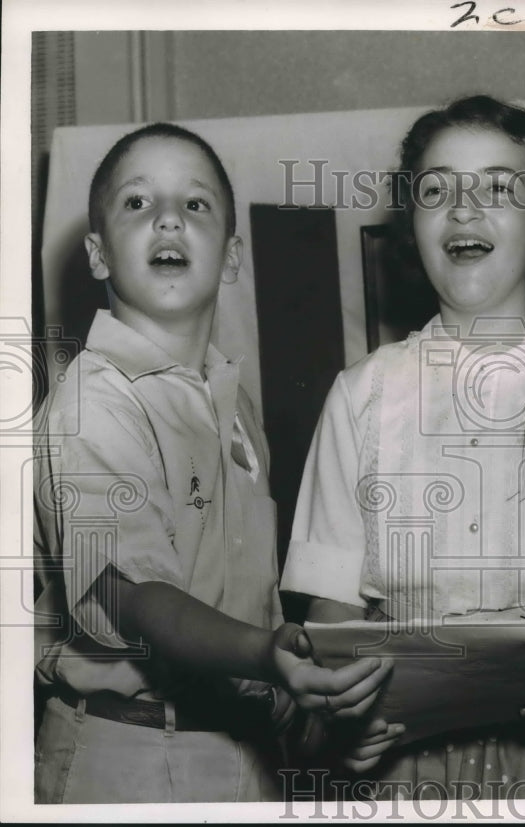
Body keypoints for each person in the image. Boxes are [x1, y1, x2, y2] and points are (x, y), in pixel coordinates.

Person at [281, 95, 525, 800]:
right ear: (413, 224)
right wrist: (348, 712)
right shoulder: (361, 395)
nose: (464, 210)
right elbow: (331, 614)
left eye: (500, 188)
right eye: (437, 189)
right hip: (412, 766)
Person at [33, 122, 400, 804]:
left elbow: (249, 615)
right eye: (137, 203)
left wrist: (320, 716)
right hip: (127, 757)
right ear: (97, 253)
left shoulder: (234, 406)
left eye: (196, 204)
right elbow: (139, 600)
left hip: (243, 755)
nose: (169, 217)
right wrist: (267, 655)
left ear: (231, 256)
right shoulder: (94, 402)